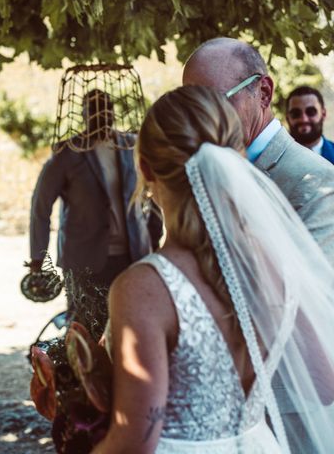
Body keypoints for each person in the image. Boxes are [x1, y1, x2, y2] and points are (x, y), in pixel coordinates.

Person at [92, 85, 334, 453]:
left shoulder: (142, 288)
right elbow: (322, 381)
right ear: (236, 158)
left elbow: (132, 446)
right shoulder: (275, 262)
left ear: (144, 167)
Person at [182, 38, 334, 452]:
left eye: (212, 103)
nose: (200, 120)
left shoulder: (318, 185)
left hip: (290, 413)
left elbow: (309, 312)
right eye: (190, 105)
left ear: (262, 92)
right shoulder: (197, 175)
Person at [29, 89, 161, 288]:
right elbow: (41, 206)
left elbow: (153, 192)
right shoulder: (68, 152)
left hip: (134, 256)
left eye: (107, 108)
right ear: (83, 114)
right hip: (84, 260)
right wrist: (38, 260)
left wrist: (154, 239)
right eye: (94, 109)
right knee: (84, 319)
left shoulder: (132, 145)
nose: (102, 115)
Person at [285, 86, 334, 163]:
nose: (304, 119)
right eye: (296, 114)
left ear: (323, 114)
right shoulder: (271, 159)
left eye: (311, 112)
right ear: (287, 118)